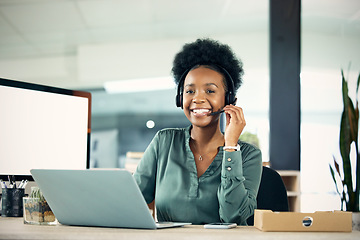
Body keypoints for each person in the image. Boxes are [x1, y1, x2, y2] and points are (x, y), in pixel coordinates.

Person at [133, 38, 262, 225]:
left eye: (210, 91)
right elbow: (133, 199)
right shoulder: (164, 142)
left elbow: (234, 216)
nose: (197, 99)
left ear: (228, 99)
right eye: (190, 91)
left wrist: (231, 147)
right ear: (180, 98)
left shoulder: (249, 155)